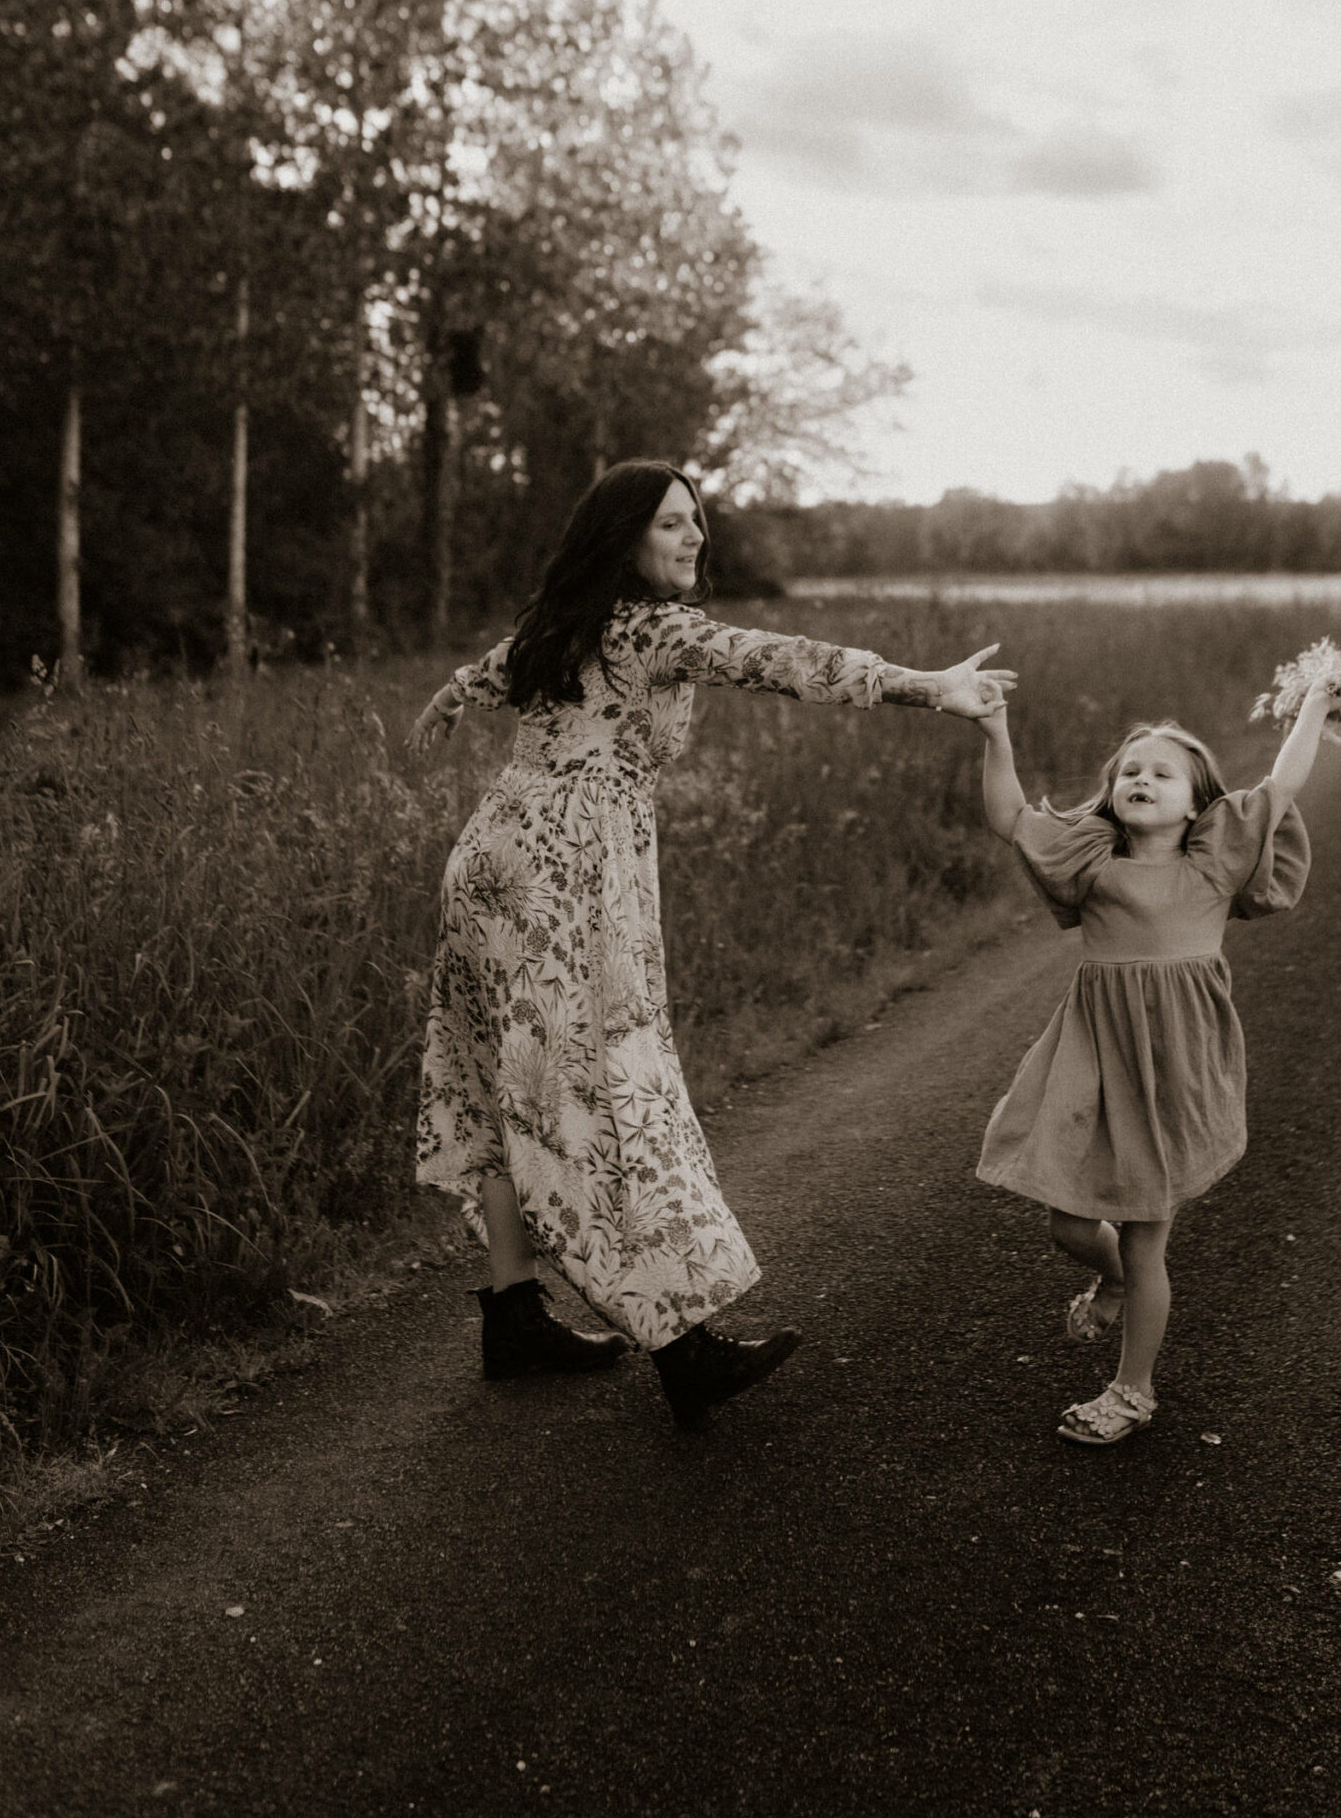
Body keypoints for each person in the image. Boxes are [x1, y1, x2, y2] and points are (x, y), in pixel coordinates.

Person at [408, 459, 1012, 1429]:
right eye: (671, 524)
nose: (694, 539)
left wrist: (443, 698)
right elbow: (783, 659)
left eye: (697, 522)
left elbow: (479, 674)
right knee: (610, 1091)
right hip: (568, 877)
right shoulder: (653, 627)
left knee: (502, 1081)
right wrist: (928, 687)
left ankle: (515, 1314)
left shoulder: (557, 623)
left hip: (492, 859)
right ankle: (681, 1347)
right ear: (623, 540)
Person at [971, 682, 1333, 1446]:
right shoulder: (1092, 863)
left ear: (1199, 804)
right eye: (1129, 770)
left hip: (1173, 1065)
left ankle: (1131, 1390)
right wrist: (993, 728)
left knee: (1145, 1237)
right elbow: (1008, 818)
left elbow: (1283, 780)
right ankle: (1107, 1275)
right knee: (1066, 1219)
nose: (1140, 779)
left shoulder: (1214, 867)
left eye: (1162, 774)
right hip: (1093, 1052)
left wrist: (1316, 703)